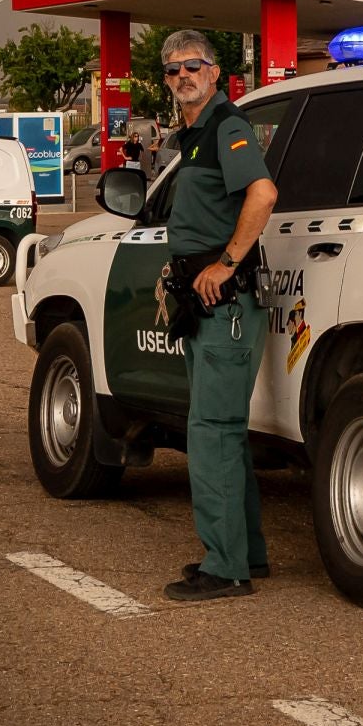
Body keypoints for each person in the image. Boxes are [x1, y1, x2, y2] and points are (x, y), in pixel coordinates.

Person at [155, 30, 279, 603]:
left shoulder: (227, 127)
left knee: (211, 434)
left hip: (224, 304)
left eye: (193, 66)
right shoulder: (196, 135)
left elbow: (263, 193)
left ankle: (226, 569)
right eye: (174, 69)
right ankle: (245, 551)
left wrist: (227, 263)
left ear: (215, 71)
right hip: (202, 303)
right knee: (224, 434)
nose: (183, 76)